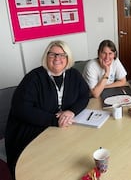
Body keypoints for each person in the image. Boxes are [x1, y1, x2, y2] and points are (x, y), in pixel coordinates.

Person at [5, 40, 90, 179]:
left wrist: (71, 111)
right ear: (46, 56)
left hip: (60, 129)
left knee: (75, 153)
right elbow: (21, 109)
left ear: (68, 58)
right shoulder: (33, 78)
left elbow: (84, 95)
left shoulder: (73, 74)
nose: (57, 59)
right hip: (32, 131)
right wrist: (54, 120)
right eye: (53, 55)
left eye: (62, 55)